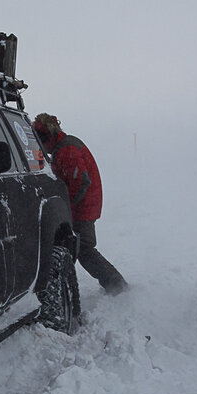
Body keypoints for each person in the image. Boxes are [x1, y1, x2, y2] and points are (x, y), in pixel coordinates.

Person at [32, 113, 127, 295]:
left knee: (84, 248)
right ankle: (114, 284)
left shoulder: (67, 150)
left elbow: (81, 182)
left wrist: (67, 208)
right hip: (83, 204)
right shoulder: (62, 147)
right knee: (79, 247)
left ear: (49, 138)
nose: (42, 148)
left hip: (84, 207)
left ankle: (117, 285)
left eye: (41, 143)